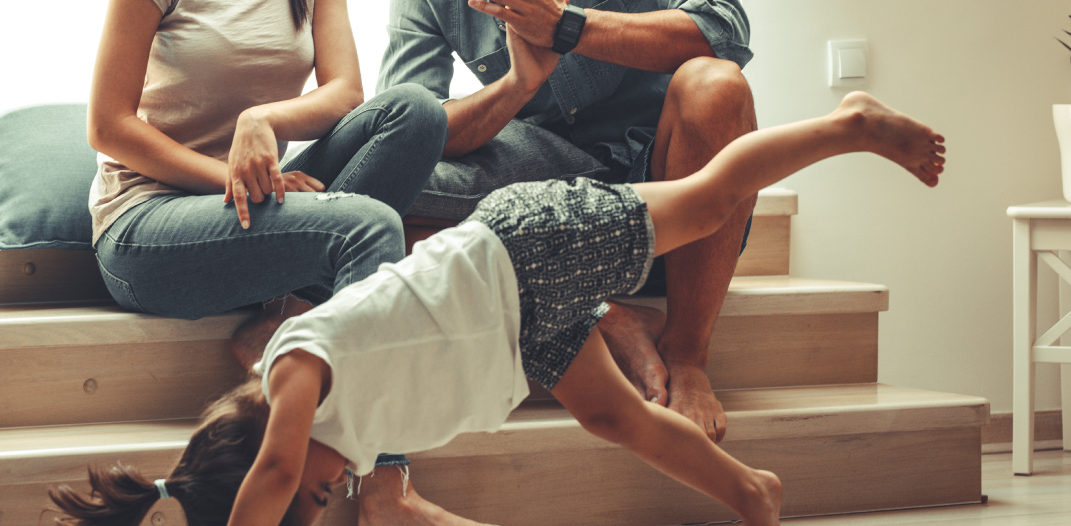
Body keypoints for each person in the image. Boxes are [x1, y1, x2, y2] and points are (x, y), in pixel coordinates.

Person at [48, 91, 946, 526]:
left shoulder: (293, 373)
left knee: (708, 203)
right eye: (327, 503)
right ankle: (753, 494)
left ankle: (850, 124)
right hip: (523, 334)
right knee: (617, 419)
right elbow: (360, 498)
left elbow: (277, 474)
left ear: (262, 456)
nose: (329, 493)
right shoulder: (354, 446)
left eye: (316, 494)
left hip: (527, 249)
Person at [87, 0, 455, 521]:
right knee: (368, 229)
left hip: (253, 208)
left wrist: (264, 122)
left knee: (415, 113)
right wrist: (233, 172)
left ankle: (284, 320)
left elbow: (347, 92)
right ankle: (385, 478)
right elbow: (109, 125)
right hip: (146, 227)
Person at [378, 0, 755, 444]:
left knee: (716, 84)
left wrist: (569, 27)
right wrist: (518, 84)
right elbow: (409, 131)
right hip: (545, 200)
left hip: (668, 197)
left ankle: (688, 357)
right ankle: (603, 314)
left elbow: (724, 26)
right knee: (383, 187)